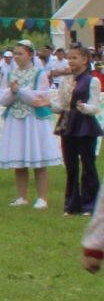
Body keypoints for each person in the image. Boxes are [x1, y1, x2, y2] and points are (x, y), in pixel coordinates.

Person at [0, 40, 59, 209]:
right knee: (19, 158)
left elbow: (40, 97)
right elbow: (2, 99)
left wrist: (21, 91)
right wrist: (12, 91)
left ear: (30, 55)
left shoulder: (39, 74)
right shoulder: (9, 75)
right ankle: (22, 196)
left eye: (20, 53)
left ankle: (42, 197)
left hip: (33, 119)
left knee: (38, 158)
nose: (16, 57)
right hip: (16, 118)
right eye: (15, 54)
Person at [55, 44, 100, 216]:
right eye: (69, 58)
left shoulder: (92, 80)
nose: (71, 61)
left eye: (74, 58)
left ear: (84, 59)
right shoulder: (65, 80)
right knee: (71, 165)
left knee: (88, 164)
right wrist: (48, 105)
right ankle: (72, 204)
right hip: (68, 123)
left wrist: (84, 107)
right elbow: (61, 105)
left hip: (85, 125)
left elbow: (95, 106)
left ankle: (90, 204)